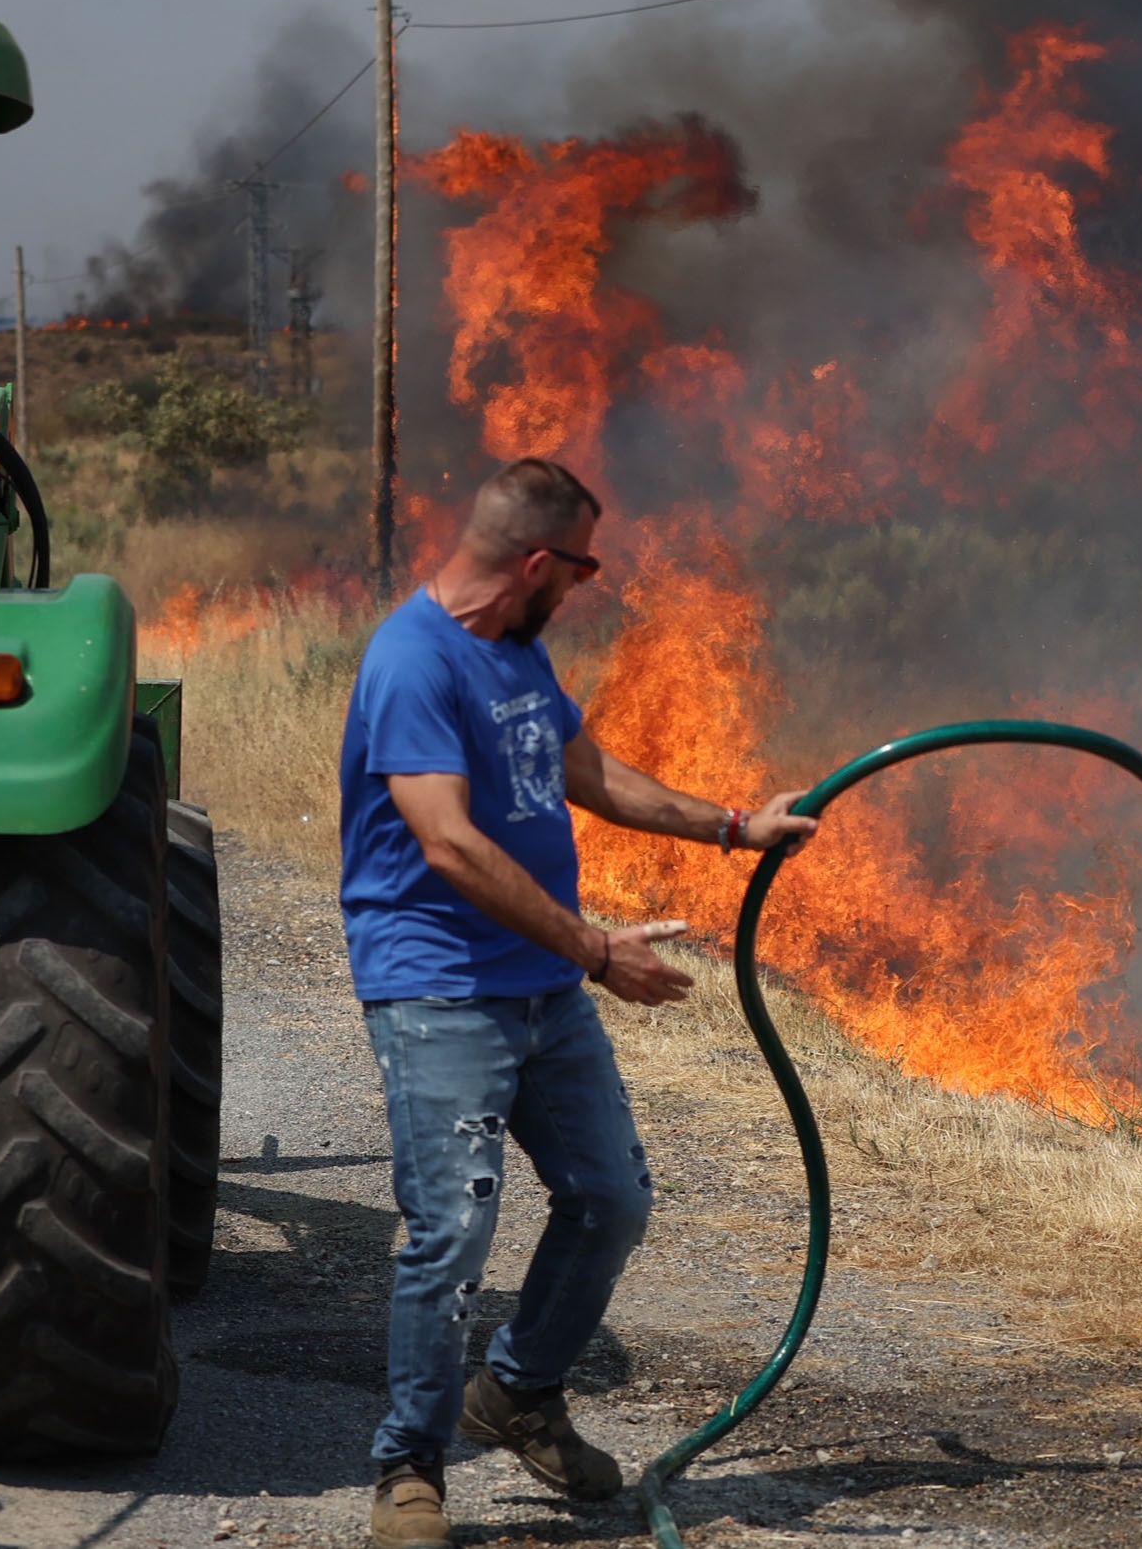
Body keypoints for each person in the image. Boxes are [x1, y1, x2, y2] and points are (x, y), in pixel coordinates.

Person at [340, 456, 817, 1549]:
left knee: (611, 1200)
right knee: (450, 1231)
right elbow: (448, 844)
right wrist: (598, 951)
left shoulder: (516, 653)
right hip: (440, 987)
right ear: (539, 562)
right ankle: (408, 1468)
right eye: (584, 569)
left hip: (543, 989)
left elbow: (584, 772)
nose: (584, 589)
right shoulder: (413, 660)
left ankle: (516, 1393)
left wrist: (735, 829)